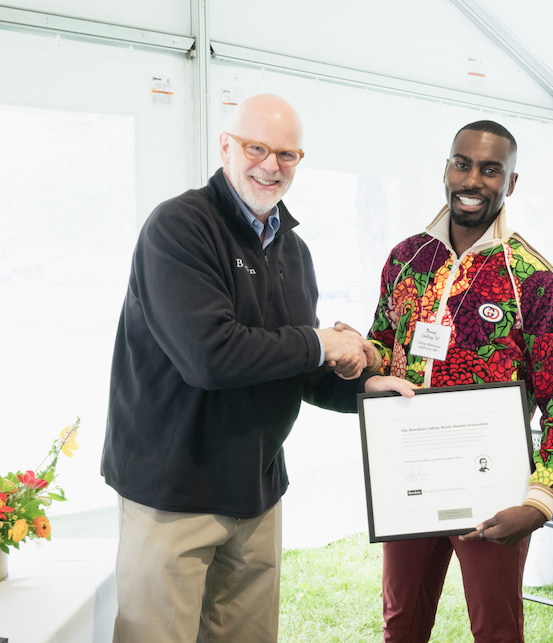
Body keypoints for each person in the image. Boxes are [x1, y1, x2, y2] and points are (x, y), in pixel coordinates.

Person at [100, 93, 408, 643]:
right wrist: (319, 342)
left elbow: (297, 367)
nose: (271, 165)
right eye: (256, 148)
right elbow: (210, 357)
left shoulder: (294, 251)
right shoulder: (179, 227)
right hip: (172, 493)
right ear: (225, 146)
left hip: (256, 491)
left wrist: (363, 386)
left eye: (286, 154)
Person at [364, 120, 553, 642]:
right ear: (446, 169)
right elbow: (383, 342)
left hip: (491, 487)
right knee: (401, 627)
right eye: (463, 164)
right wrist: (360, 355)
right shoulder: (406, 258)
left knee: (496, 631)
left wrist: (540, 500)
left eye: (491, 170)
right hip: (410, 479)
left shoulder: (532, 277)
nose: (473, 180)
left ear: (510, 183)